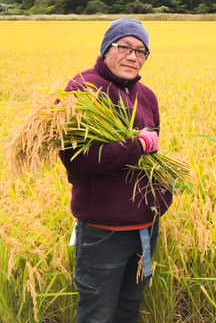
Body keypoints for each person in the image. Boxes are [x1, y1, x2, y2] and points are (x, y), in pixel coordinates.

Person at [59, 17, 172, 323]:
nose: (133, 56)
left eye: (141, 51)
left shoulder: (146, 96)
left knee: (128, 310)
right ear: (107, 48)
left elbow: (154, 151)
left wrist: (164, 192)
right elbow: (78, 161)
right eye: (125, 47)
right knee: (98, 315)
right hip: (103, 232)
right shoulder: (84, 90)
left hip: (144, 230)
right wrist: (137, 145)